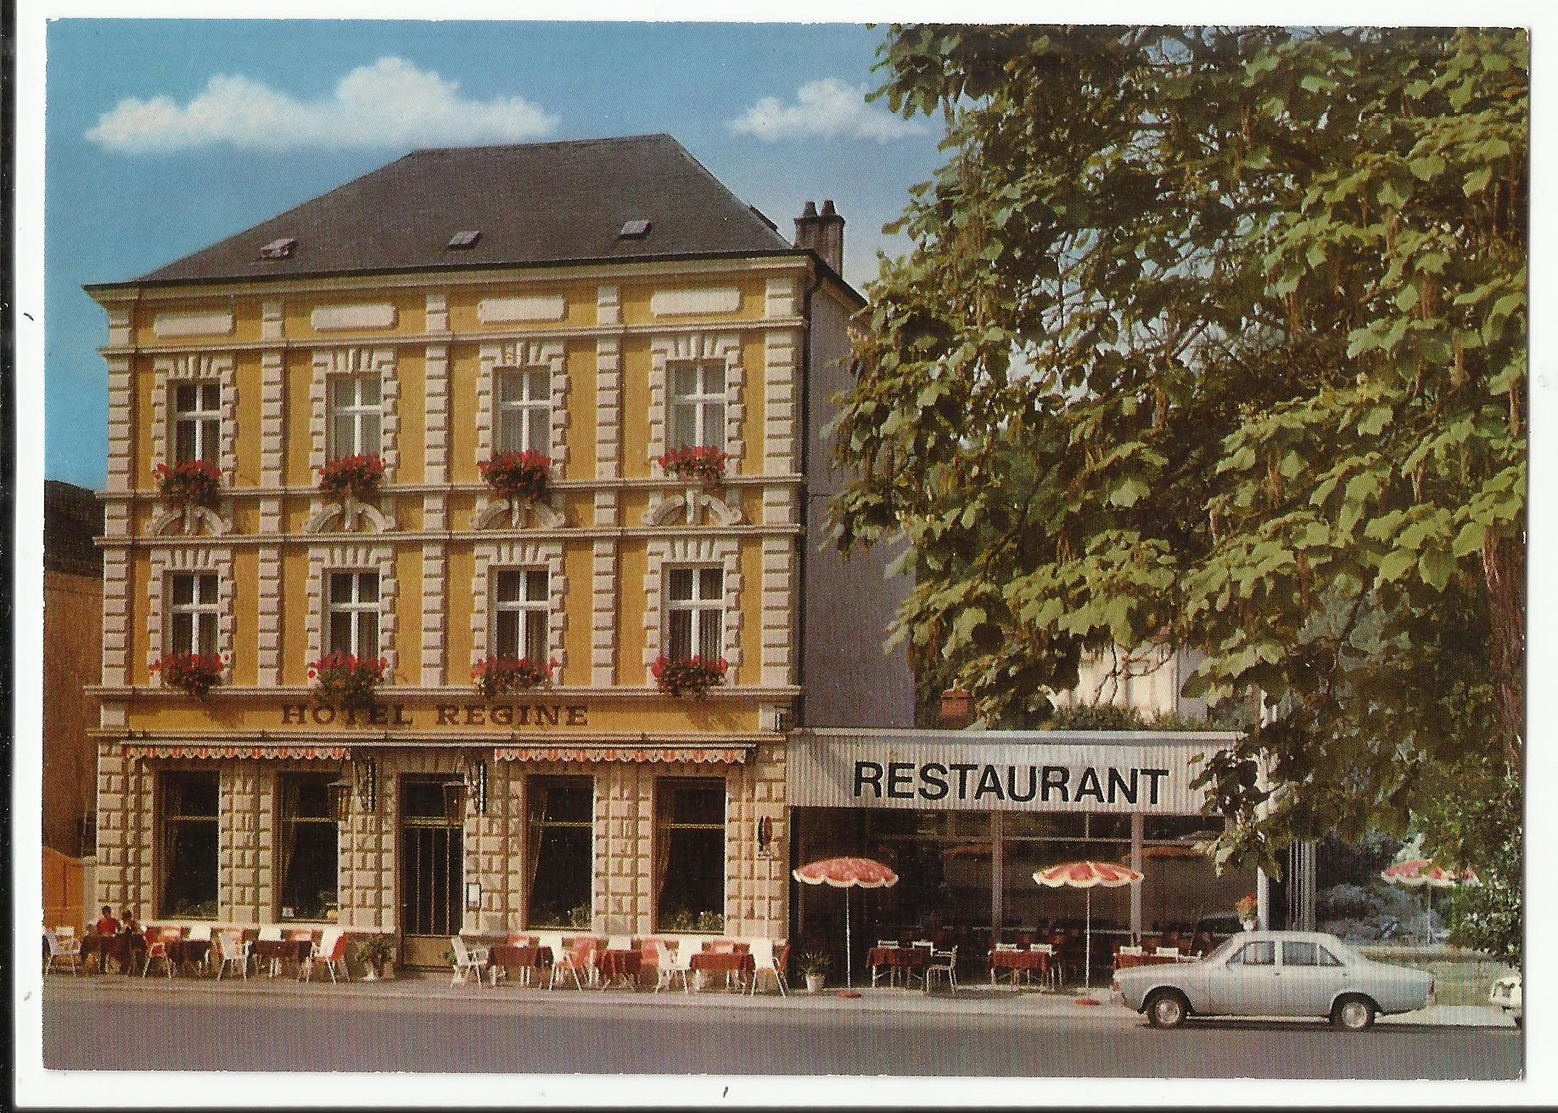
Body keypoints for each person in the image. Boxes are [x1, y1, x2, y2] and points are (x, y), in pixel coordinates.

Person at [116, 907, 147, 975]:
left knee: (128, 952)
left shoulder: (134, 924)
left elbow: (141, 932)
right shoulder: (124, 926)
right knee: (122, 951)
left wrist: (136, 931)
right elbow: (120, 933)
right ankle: (126, 968)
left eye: (125, 918)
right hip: (127, 946)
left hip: (135, 945)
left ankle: (128, 968)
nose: (124, 920)